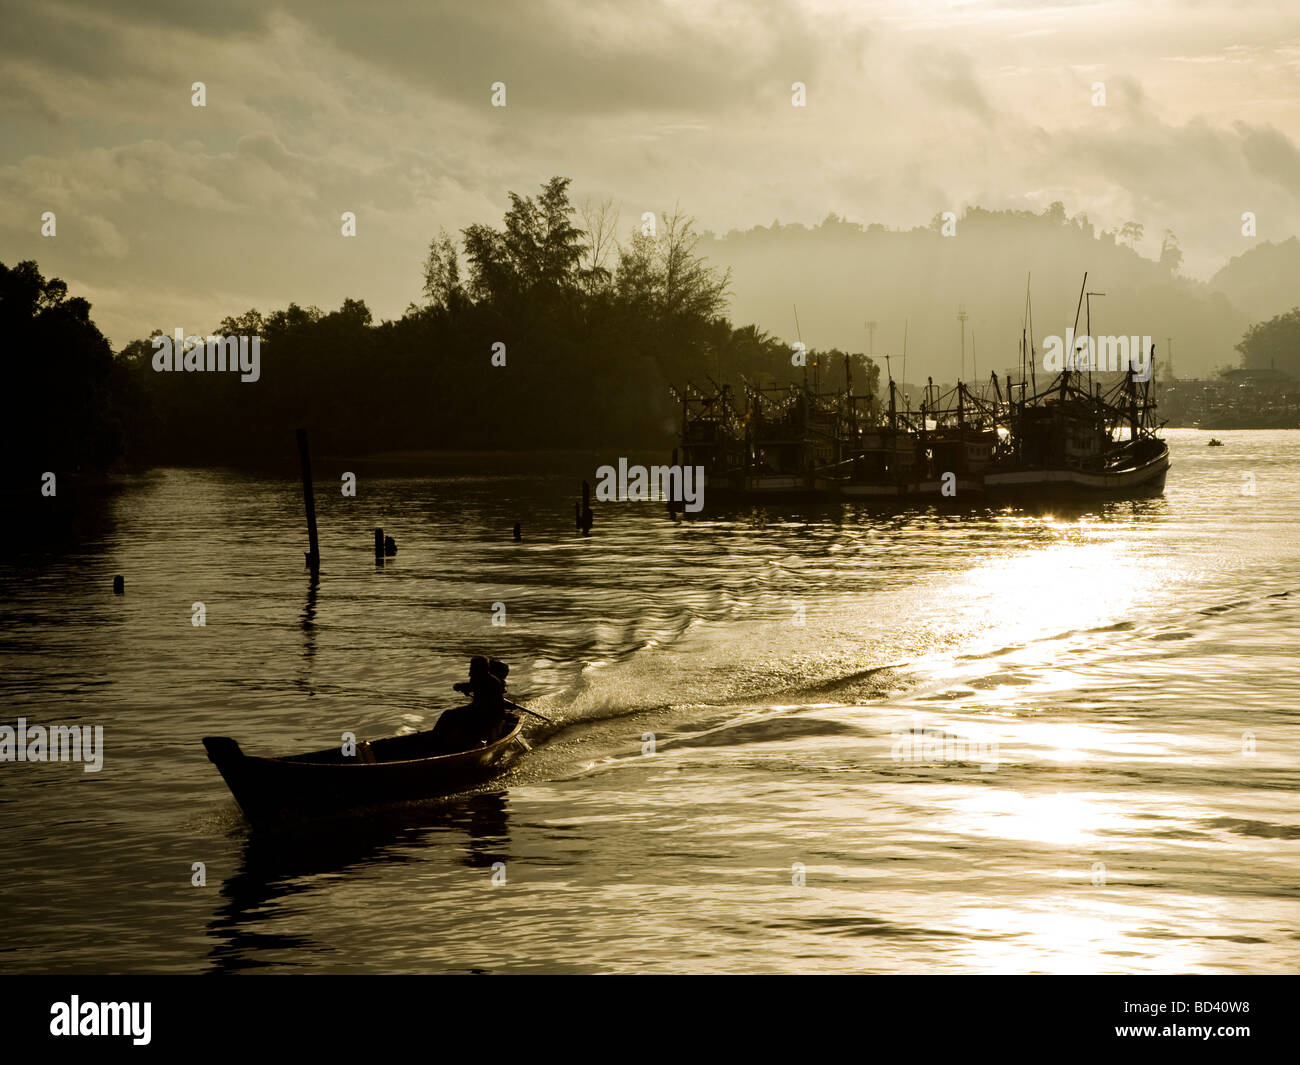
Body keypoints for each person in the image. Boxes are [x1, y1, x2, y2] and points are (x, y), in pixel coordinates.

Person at [431, 656, 507, 751]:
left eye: (474, 667)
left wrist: (460, 687)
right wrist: (464, 688)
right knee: (449, 714)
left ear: (482, 667)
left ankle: (434, 741)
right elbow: (472, 687)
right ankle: (435, 739)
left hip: (489, 715)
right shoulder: (478, 677)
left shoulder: (490, 680)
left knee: (448, 714)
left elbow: (471, 686)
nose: (471, 669)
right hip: (478, 711)